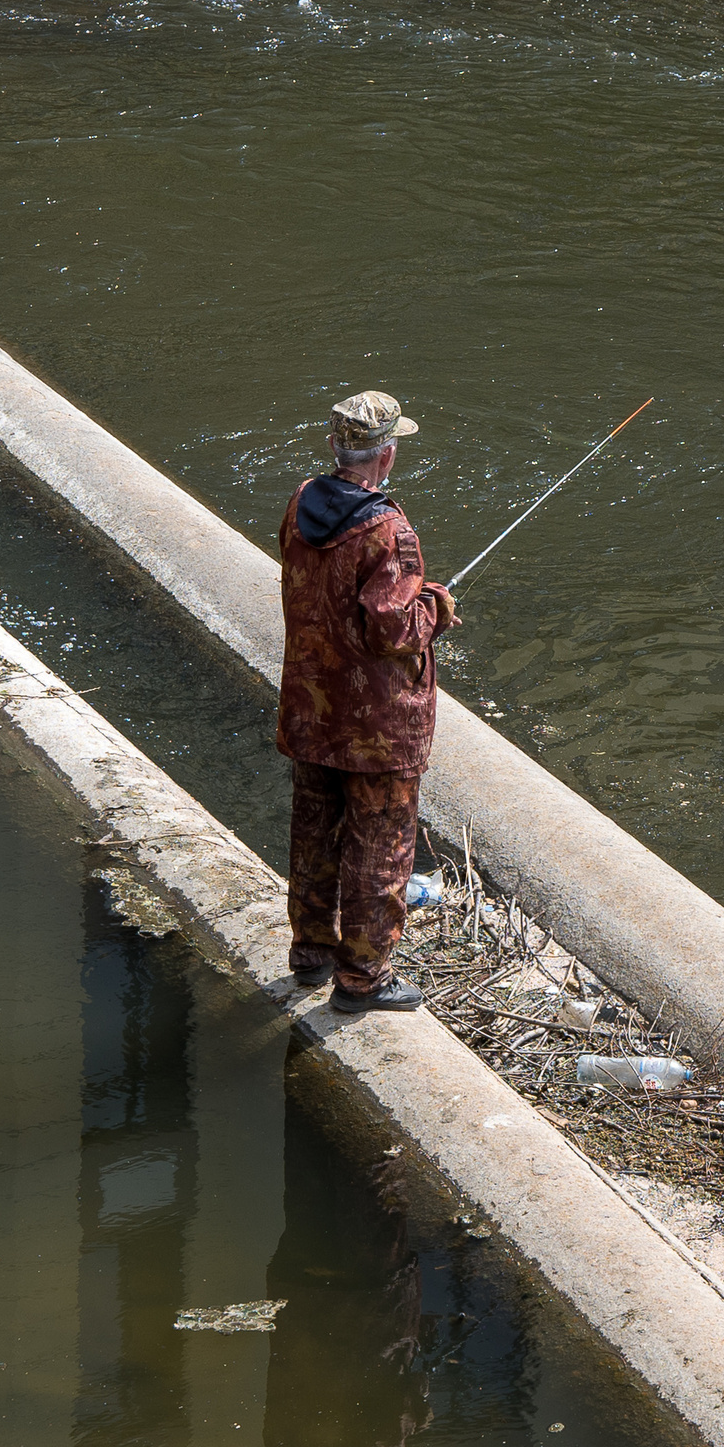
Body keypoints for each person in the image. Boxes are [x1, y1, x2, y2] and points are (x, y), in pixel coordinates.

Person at [277, 390, 459, 1014]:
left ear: (336, 446)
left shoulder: (302, 503)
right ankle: (362, 981)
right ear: (385, 456)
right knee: (380, 847)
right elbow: (393, 630)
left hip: (311, 708)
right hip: (378, 728)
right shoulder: (387, 529)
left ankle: (310, 957)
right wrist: (434, 604)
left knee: (314, 833)